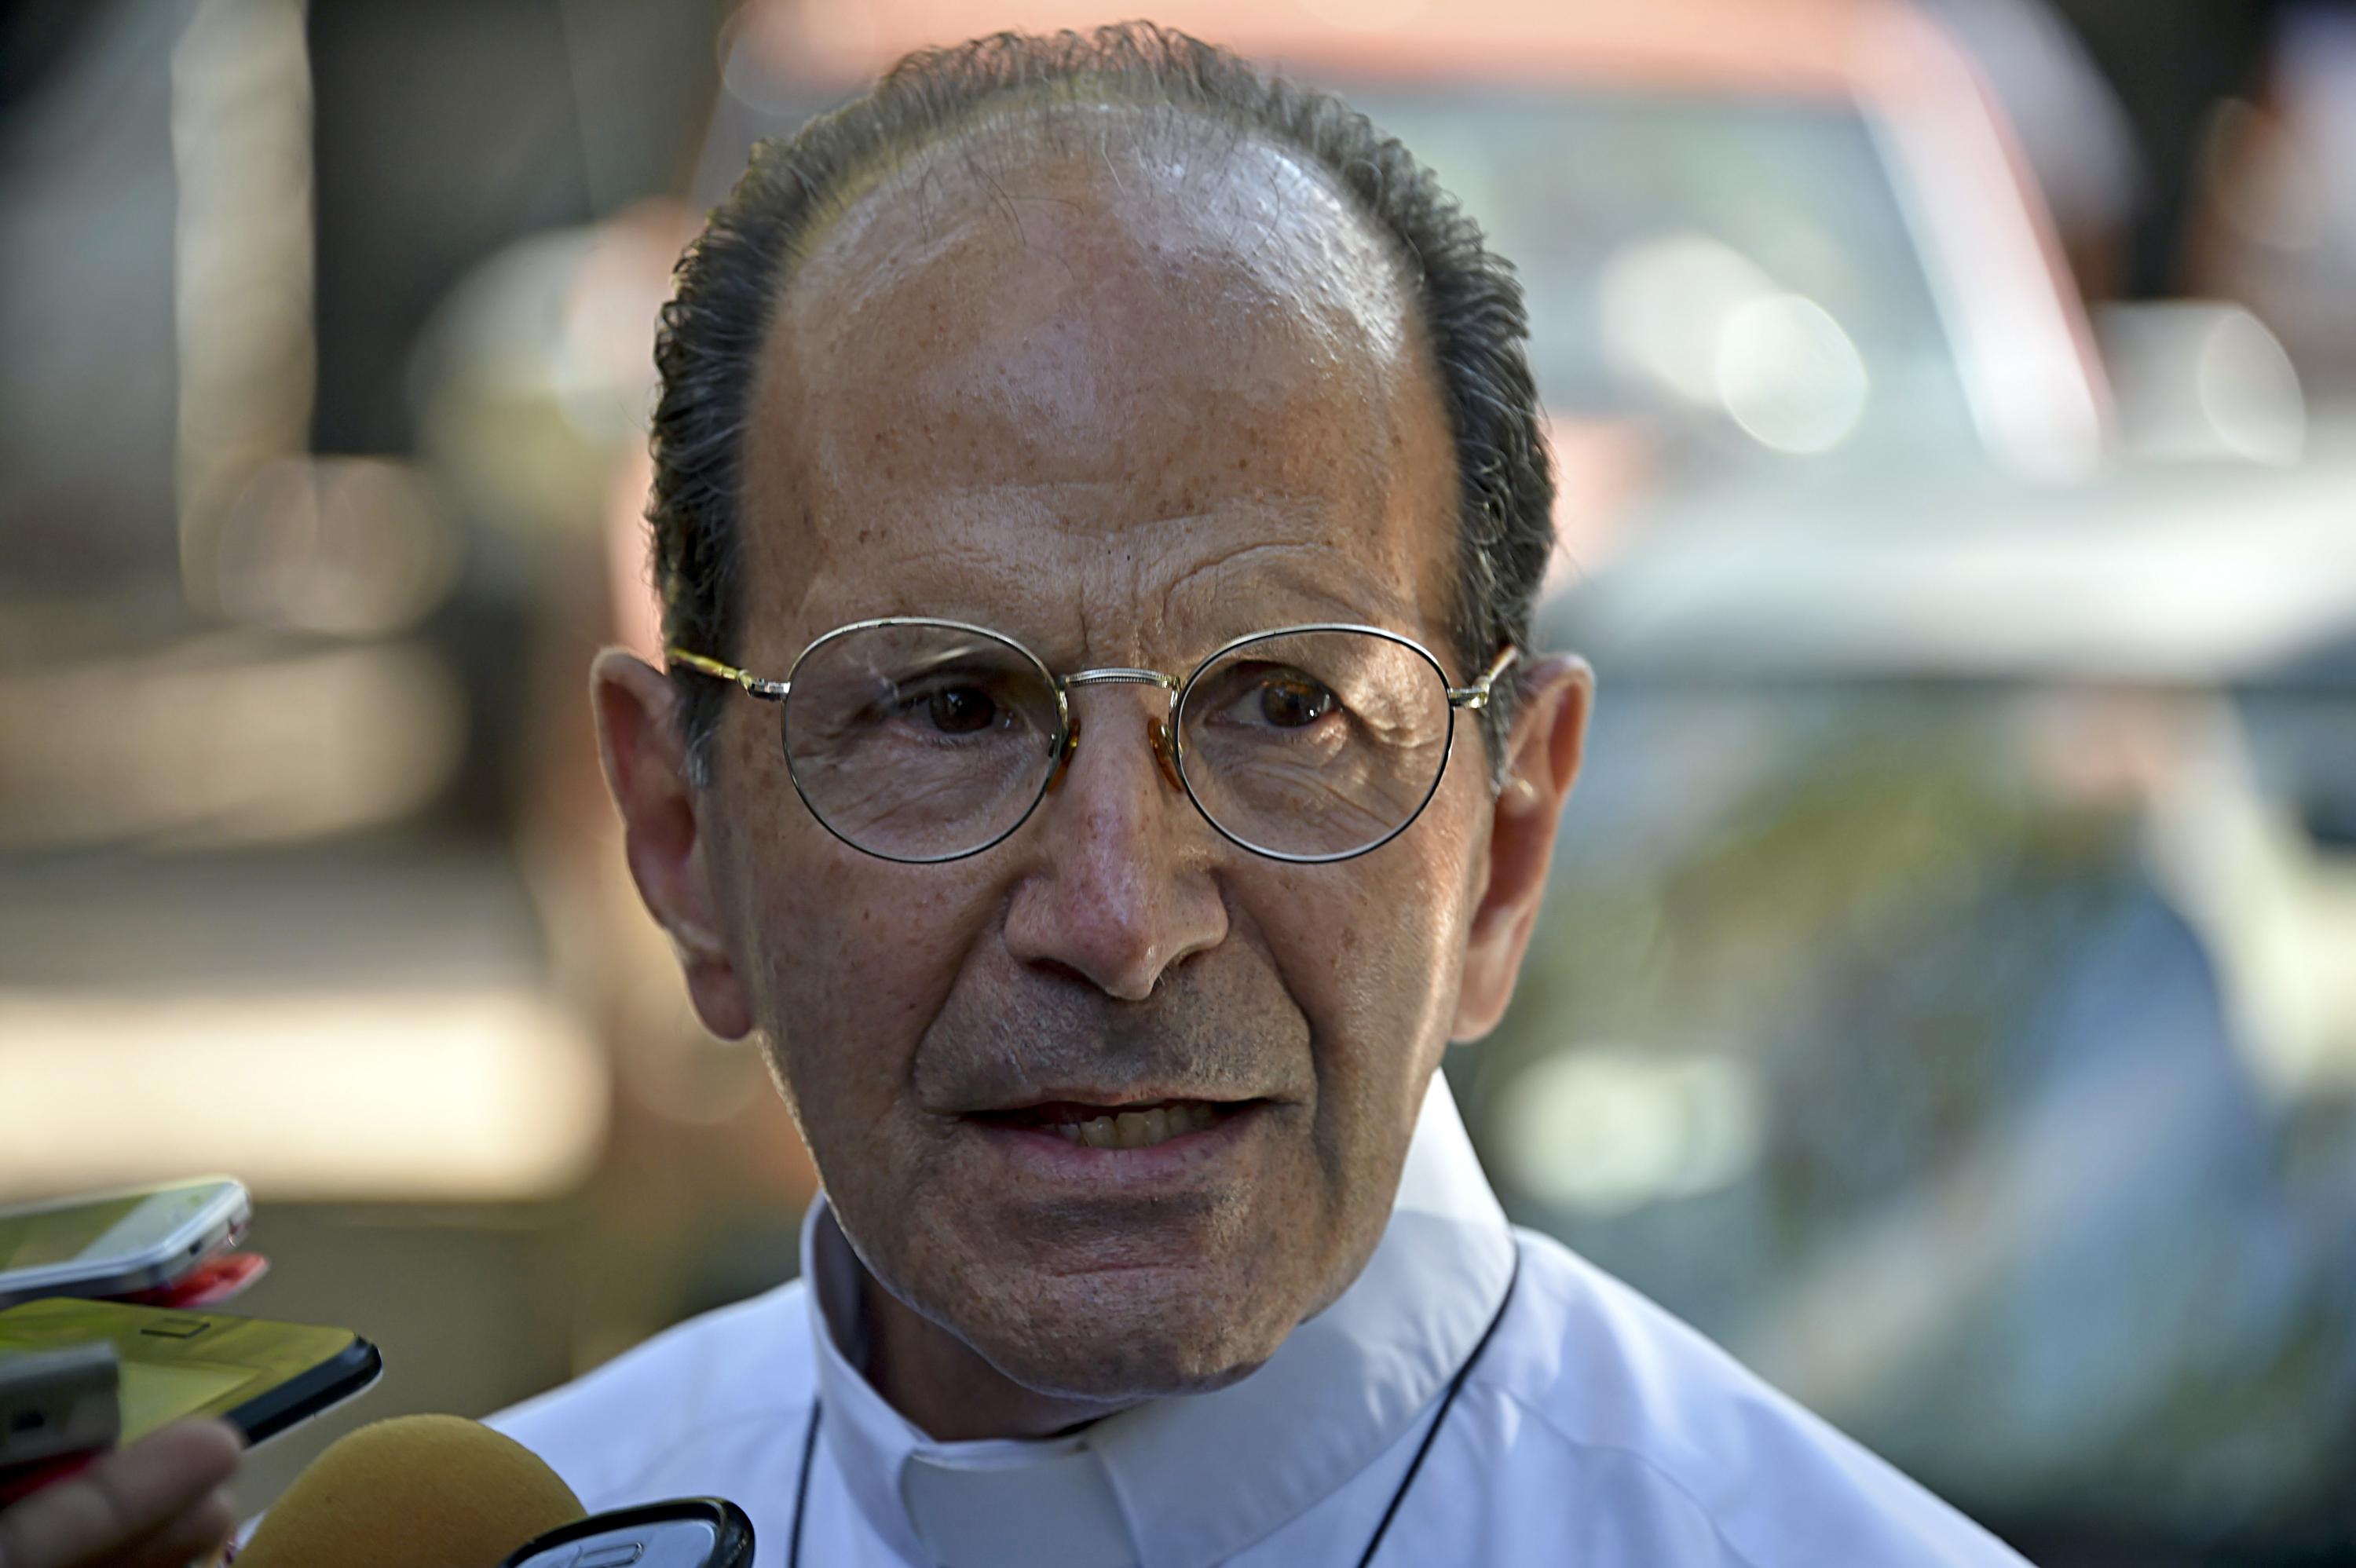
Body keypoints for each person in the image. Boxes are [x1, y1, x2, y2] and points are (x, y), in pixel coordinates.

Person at [8, 21, 2029, 1568]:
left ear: (1506, 845)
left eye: (1284, 710)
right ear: (682, 836)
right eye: (953, 707)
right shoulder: (542, 1531)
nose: (1119, 913)